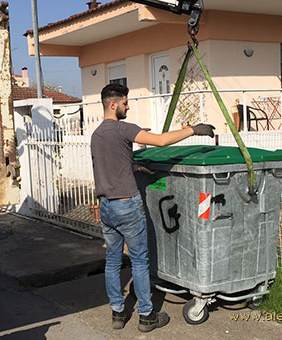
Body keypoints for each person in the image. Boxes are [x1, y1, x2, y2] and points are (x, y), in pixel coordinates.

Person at [91, 83, 215, 332]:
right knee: (139, 261)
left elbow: (110, 164)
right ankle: (147, 316)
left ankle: (118, 313)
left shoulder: (96, 135)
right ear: (113, 104)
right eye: (125, 103)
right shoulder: (123, 128)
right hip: (127, 204)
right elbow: (159, 141)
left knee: (113, 262)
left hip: (105, 207)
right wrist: (193, 129)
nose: (128, 107)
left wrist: (133, 168)